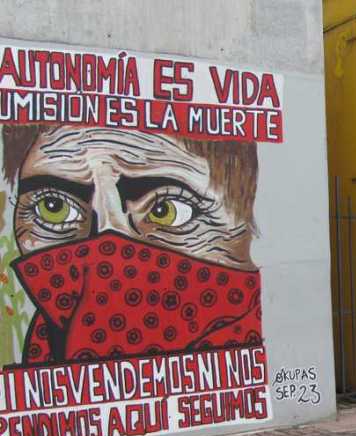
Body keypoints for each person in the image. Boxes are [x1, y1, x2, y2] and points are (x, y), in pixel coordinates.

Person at [3, 124, 262, 365]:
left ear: (245, 223)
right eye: (54, 208)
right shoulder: (42, 348)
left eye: (165, 211)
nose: (108, 252)